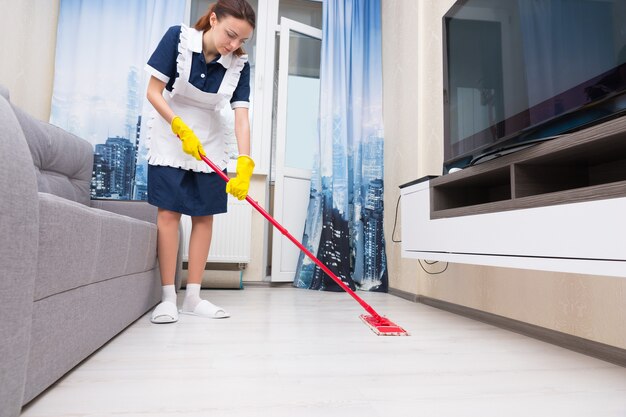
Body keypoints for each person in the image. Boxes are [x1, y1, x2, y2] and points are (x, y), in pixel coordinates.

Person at [145, 0, 256, 323]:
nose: (233, 45)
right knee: (168, 213)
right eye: (230, 35)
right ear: (213, 19)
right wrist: (178, 126)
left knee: (204, 216)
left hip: (209, 139)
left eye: (241, 41)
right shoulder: (178, 40)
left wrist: (245, 163)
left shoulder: (239, 65)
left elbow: (241, 117)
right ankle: (168, 297)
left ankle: (193, 297)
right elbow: (154, 92)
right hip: (170, 132)